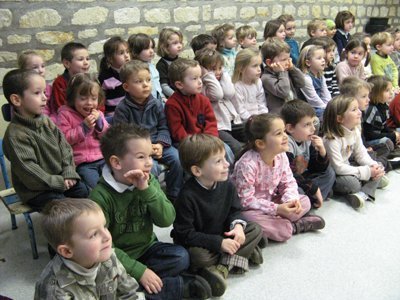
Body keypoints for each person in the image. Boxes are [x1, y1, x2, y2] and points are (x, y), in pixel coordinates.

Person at [90, 123, 212, 300]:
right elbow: (103, 249)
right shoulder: (100, 197)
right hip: (115, 258)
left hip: (147, 249)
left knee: (180, 257)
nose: (149, 163)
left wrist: (145, 189)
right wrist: (139, 272)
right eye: (141, 157)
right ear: (116, 162)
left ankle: (141, 287)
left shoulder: (149, 181)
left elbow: (166, 220)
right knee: (104, 280)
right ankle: (174, 287)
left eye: (150, 156)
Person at [172, 134, 263, 297]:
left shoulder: (227, 184)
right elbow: (185, 234)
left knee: (255, 228)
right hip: (203, 243)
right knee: (196, 257)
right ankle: (242, 254)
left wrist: (237, 226)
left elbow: (235, 210)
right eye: (218, 161)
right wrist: (219, 243)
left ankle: (221, 269)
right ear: (197, 170)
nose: (227, 164)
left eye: (225, 158)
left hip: (222, 234)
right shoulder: (186, 196)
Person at [2, 69, 89, 210]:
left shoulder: (46, 121)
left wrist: (68, 172)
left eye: (44, 92)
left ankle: (86, 226)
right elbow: (30, 172)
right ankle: (69, 230)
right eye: (37, 93)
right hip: (36, 190)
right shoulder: (16, 135)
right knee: (61, 205)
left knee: (83, 191)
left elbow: (65, 147)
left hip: (60, 180)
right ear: (16, 100)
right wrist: (60, 181)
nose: (45, 97)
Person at [232, 113, 325, 242]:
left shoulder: (281, 156)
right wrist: (276, 209)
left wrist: (290, 201)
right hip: (252, 209)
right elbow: (245, 201)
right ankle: (293, 226)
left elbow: (289, 182)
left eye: (284, 132)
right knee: (252, 219)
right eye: (278, 133)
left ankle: (281, 222)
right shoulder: (247, 164)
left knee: (304, 201)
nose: (286, 136)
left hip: (273, 201)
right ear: (260, 143)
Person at [34, 198, 143, 299]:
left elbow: (129, 293)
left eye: (104, 226)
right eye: (94, 234)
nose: (107, 237)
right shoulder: (56, 291)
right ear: (67, 251)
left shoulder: (107, 256)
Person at [113, 60, 183, 202]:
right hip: (137, 150)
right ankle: (152, 197)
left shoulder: (156, 103)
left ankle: (174, 195)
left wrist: (160, 144)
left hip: (157, 144)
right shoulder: (122, 109)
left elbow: (164, 126)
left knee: (177, 159)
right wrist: (144, 149)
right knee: (152, 168)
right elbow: (121, 136)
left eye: (148, 80)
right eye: (139, 81)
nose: (146, 85)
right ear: (126, 86)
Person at [323, 95, 385, 209]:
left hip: (348, 166)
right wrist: (366, 172)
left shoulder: (355, 130)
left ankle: (364, 192)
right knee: (353, 184)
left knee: (378, 164)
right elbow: (338, 168)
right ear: (340, 118)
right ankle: (367, 187)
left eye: (358, 108)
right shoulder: (331, 139)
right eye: (354, 110)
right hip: (335, 174)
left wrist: (373, 166)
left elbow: (361, 154)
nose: (359, 112)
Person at [57, 73, 109, 189]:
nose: (89, 103)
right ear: (72, 98)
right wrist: (83, 128)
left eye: (93, 98)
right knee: (96, 187)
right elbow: (64, 140)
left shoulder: (98, 114)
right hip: (82, 163)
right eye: (83, 98)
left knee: (116, 180)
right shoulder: (65, 114)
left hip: (102, 158)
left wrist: (100, 124)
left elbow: (108, 137)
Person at [281, 100, 335, 208]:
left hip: (306, 177)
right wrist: (313, 188)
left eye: (313, 123)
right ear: (290, 128)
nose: (313, 129)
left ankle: (310, 200)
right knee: (298, 191)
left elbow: (318, 168)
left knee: (330, 173)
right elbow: (290, 175)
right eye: (307, 125)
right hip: (292, 181)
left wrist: (322, 152)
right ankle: (312, 199)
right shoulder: (286, 144)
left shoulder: (307, 140)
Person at [340, 76, 398, 171]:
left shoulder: (360, 112)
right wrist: (366, 148)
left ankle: (379, 165)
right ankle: (383, 165)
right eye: (364, 96)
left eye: (368, 96)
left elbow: (360, 137)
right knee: (384, 145)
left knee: (384, 146)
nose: (368, 100)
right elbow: (367, 135)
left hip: (361, 149)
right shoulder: (352, 116)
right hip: (350, 155)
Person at [195, 48, 244, 157]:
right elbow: (217, 95)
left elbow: (229, 92)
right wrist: (208, 76)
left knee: (255, 129)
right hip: (219, 127)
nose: (217, 72)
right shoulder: (203, 86)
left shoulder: (221, 79)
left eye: (220, 68)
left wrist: (224, 74)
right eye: (213, 69)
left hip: (233, 122)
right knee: (237, 147)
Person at [261, 37, 305, 114]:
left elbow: (301, 83)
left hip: (293, 111)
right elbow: (283, 92)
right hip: (280, 115)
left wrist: (292, 69)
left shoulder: (286, 71)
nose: (288, 62)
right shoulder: (266, 78)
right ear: (269, 62)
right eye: (284, 60)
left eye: (289, 58)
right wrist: (282, 73)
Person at [50, 42, 90, 113]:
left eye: (87, 59)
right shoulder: (60, 83)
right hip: (69, 118)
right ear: (67, 63)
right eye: (81, 59)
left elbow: (100, 101)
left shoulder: (91, 81)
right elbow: (61, 107)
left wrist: (95, 114)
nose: (86, 62)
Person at [363, 75, 399, 150]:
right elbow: (368, 135)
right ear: (376, 93)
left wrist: (394, 134)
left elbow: (384, 127)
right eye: (387, 90)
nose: (391, 93)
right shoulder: (371, 109)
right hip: (369, 141)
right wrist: (391, 136)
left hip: (379, 135)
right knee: (387, 141)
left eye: (391, 90)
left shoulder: (384, 106)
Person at [232, 48, 269, 120]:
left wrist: (264, 118)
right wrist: (254, 121)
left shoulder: (258, 81)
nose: (259, 69)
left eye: (259, 65)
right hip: (246, 122)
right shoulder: (237, 86)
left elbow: (262, 103)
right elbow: (240, 110)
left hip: (259, 119)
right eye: (255, 66)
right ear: (241, 69)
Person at [98, 36, 130, 118]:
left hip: (130, 111)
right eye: (121, 53)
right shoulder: (104, 77)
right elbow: (101, 99)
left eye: (127, 52)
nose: (126, 56)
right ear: (110, 58)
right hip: (113, 114)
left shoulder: (132, 72)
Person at [17, 50, 54, 120]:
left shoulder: (49, 88)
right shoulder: (20, 90)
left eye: (42, 66)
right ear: (23, 70)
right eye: (35, 67)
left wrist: (51, 122)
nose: (41, 70)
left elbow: (54, 110)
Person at [299, 45, 331, 120]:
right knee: (323, 114)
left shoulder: (320, 75)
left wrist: (330, 105)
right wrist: (326, 108)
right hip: (309, 107)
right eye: (319, 58)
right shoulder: (305, 78)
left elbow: (325, 93)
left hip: (321, 105)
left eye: (323, 57)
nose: (323, 60)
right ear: (308, 62)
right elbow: (313, 99)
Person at [129, 33, 164, 102]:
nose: (151, 51)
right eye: (146, 48)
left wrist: (162, 97)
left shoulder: (152, 66)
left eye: (152, 47)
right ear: (135, 51)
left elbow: (157, 85)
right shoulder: (135, 70)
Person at [156, 28, 183, 98]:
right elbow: (164, 86)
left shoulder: (182, 61)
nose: (179, 45)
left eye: (180, 42)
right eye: (175, 43)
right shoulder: (161, 65)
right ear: (165, 46)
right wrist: (177, 97)